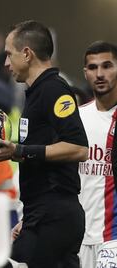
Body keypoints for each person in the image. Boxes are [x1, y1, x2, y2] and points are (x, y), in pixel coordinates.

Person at [0, 20, 88, 267]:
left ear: (27, 54)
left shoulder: (54, 91)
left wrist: (20, 151)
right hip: (40, 213)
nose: (6, 63)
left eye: (9, 54)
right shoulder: (36, 92)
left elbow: (79, 148)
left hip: (54, 214)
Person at [78, 41, 117, 268]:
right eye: (93, 68)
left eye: (107, 66)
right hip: (77, 240)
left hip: (112, 239)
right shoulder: (76, 120)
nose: (99, 74)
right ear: (85, 73)